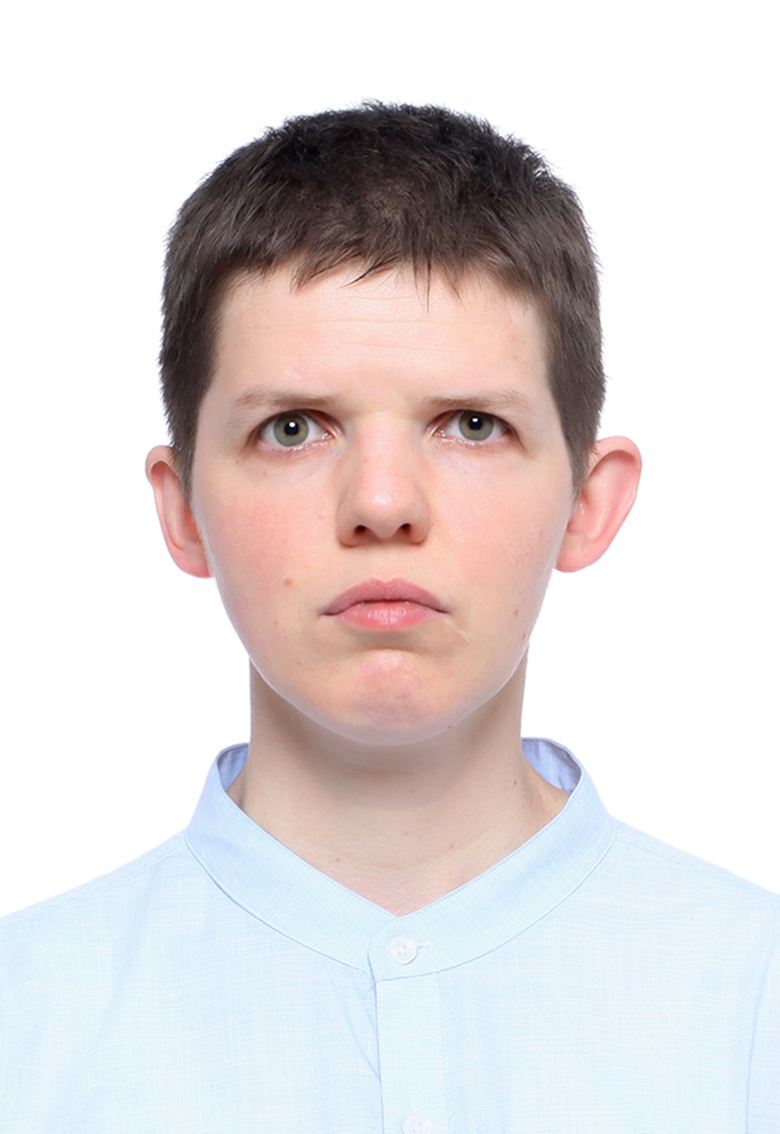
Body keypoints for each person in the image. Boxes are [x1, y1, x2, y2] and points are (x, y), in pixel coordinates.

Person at [0, 103, 777, 1133]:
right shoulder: (26, 1023)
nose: (380, 503)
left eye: (471, 424)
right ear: (182, 510)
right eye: (292, 428)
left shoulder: (755, 1003)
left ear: (588, 503)